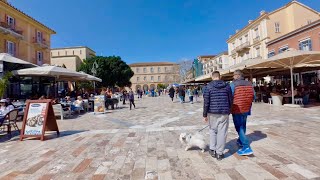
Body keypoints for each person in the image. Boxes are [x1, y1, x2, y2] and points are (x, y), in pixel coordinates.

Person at [203, 71, 233, 161]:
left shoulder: (208, 86)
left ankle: (212, 149)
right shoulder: (227, 86)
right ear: (219, 77)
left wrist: (205, 114)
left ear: (212, 77)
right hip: (224, 112)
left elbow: (206, 101)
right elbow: (230, 99)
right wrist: (229, 110)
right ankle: (219, 153)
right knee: (222, 132)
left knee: (212, 130)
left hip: (212, 112)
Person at [230, 70, 255, 156]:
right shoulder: (250, 84)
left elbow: (230, 96)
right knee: (243, 125)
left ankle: (246, 146)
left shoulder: (233, 84)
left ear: (237, 76)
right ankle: (241, 141)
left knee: (239, 127)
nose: (233, 77)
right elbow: (254, 96)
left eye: (233, 75)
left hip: (237, 108)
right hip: (246, 108)